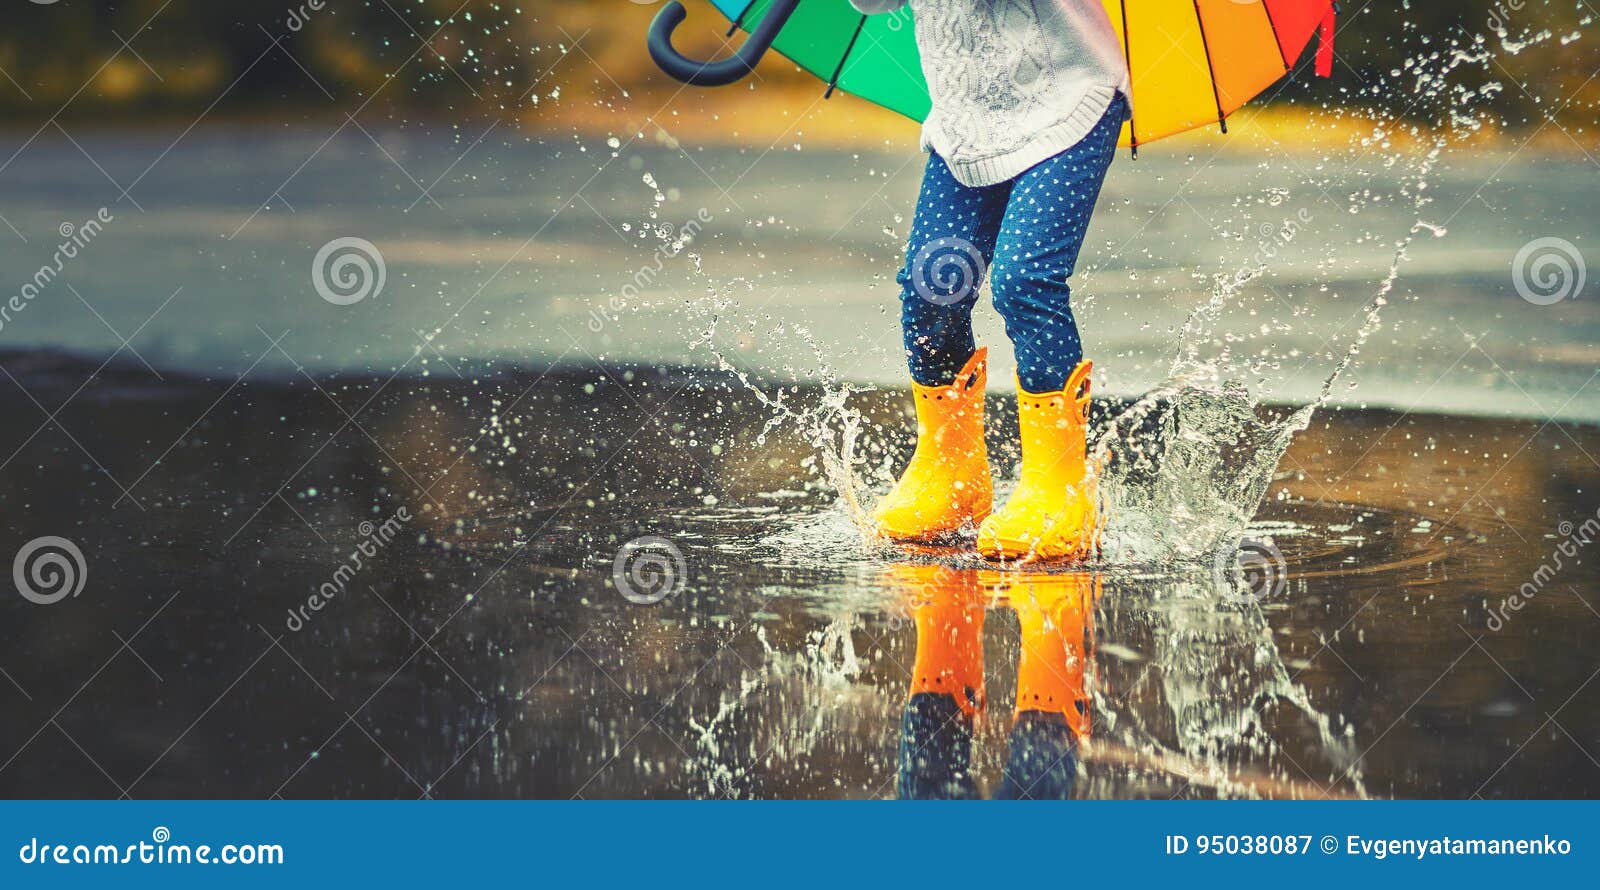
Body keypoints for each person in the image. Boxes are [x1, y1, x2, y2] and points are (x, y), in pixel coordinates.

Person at [853, 0, 1130, 561]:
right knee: (933, 287)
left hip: (1067, 98)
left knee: (1025, 281)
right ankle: (952, 474)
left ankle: (1059, 487)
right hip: (968, 122)